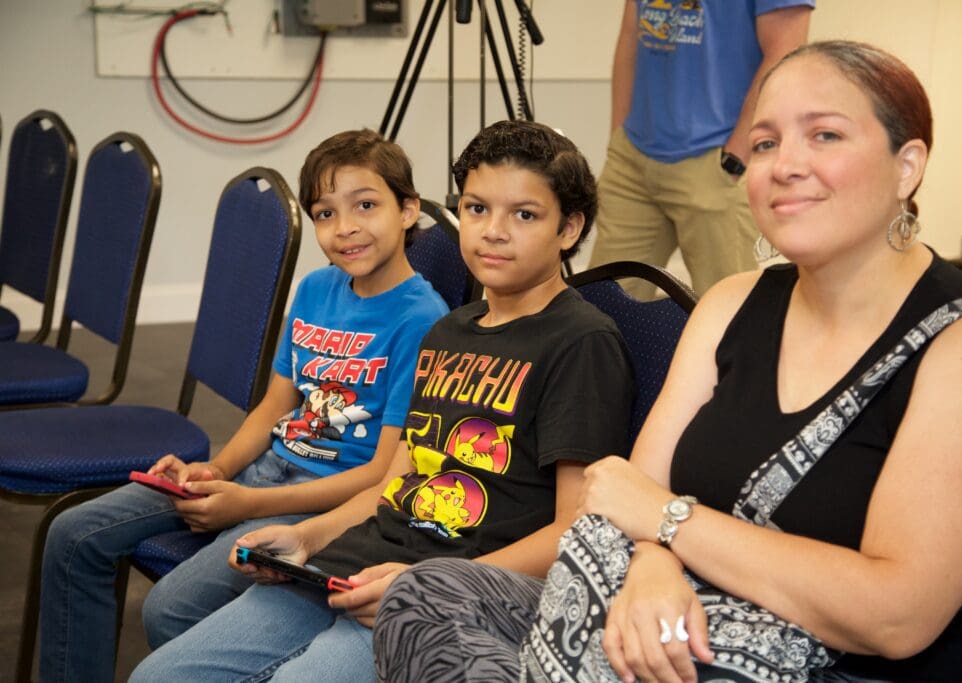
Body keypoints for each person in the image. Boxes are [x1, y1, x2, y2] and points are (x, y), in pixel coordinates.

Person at [375, 41, 962, 683]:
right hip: (685, 622)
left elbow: (894, 615)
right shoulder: (732, 302)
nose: (785, 164)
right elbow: (620, 500)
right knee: (426, 595)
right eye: (764, 143)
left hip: (840, 668)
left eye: (824, 135)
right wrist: (654, 573)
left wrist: (669, 525)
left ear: (907, 164)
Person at [128, 120, 635, 682]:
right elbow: (394, 479)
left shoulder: (582, 343)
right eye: (475, 208)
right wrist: (305, 536)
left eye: (524, 215)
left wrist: (423, 586)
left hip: (451, 595)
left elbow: (575, 529)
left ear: (569, 228)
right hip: (355, 562)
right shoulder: (450, 332)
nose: (492, 232)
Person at [37, 129, 450, 683]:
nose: (345, 228)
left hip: (315, 500)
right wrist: (218, 470)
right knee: (75, 532)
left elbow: (379, 473)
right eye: (325, 214)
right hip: (260, 473)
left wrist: (247, 505)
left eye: (366, 205)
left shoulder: (421, 319)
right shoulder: (315, 289)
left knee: (171, 607)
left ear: (408, 210)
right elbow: (275, 404)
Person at [587, 0, 813, 298]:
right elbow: (632, 33)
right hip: (633, 159)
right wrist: (619, 135)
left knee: (731, 317)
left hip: (717, 163)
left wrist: (736, 157)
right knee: (604, 307)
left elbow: (785, 54)